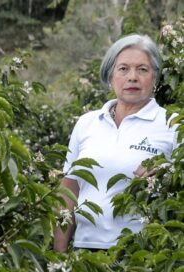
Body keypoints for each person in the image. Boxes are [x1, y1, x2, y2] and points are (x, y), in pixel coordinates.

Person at [53, 34, 178, 252]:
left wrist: (167, 176)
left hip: (142, 253)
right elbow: (68, 193)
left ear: (155, 78)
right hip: (85, 251)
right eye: (123, 69)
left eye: (142, 69)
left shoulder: (172, 125)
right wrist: (59, 255)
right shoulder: (87, 123)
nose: (132, 77)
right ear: (110, 76)